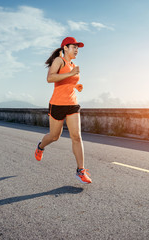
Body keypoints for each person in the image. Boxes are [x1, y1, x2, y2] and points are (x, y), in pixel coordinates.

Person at [34, 37, 92, 184]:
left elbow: (67, 82)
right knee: (54, 136)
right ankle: (40, 146)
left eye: (78, 48)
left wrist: (76, 86)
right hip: (57, 104)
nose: (77, 50)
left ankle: (81, 170)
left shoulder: (74, 64)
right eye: (74, 47)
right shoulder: (59, 61)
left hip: (72, 104)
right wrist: (72, 74)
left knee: (76, 137)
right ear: (65, 48)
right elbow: (50, 78)